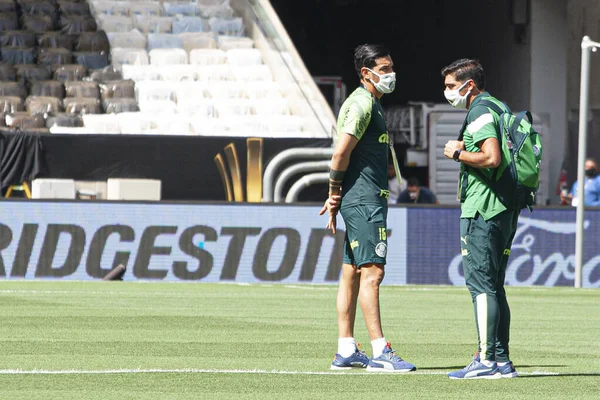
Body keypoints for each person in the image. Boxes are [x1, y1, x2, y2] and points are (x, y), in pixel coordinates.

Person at [319, 43, 416, 373]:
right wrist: (334, 192)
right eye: (385, 69)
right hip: (364, 201)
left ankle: (346, 349)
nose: (391, 74)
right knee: (373, 273)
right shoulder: (361, 105)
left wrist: (337, 196)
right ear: (366, 73)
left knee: (352, 273)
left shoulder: (370, 104)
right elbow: (340, 154)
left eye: (391, 67)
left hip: (362, 199)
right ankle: (380, 351)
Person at [441, 59, 519, 379]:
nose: (446, 92)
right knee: (495, 287)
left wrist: (457, 153)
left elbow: (491, 156)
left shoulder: (478, 111)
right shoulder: (499, 106)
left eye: (449, 86)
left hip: (483, 210)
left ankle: (486, 360)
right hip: (505, 207)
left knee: (481, 287)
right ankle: (501, 361)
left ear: (468, 84)